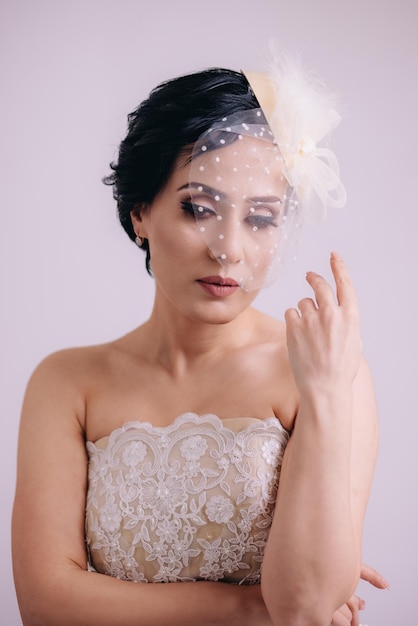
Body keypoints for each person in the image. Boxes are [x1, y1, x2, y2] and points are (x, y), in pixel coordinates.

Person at [12, 53, 388, 626]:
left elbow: (306, 603)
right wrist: (248, 606)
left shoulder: (322, 371)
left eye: (261, 218)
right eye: (199, 208)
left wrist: (329, 395)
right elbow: (45, 605)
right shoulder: (66, 384)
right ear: (141, 211)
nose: (228, 249)